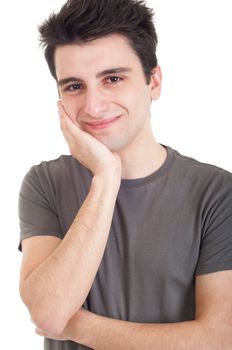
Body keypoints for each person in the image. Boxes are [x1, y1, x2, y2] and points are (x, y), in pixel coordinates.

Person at [18, 0, 232, 349]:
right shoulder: (44, 183)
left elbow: (219, 339)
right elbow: (49, 313)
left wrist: (78, 326)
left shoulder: (217, 192)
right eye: (74, 86)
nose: (93, 106)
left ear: (154, 82)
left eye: (113, 79)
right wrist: (105, 177)